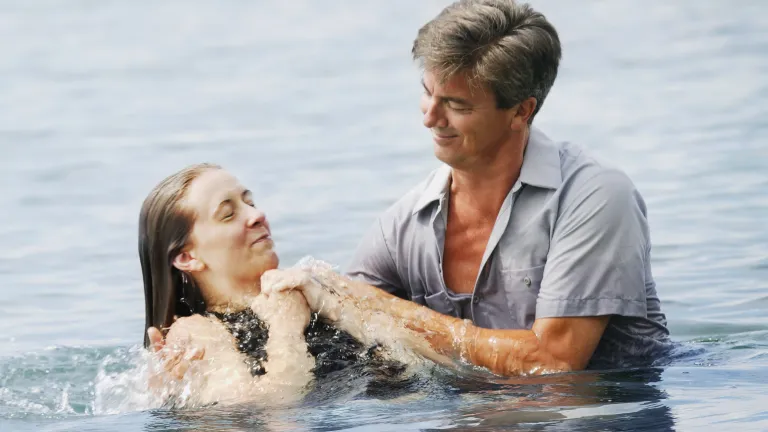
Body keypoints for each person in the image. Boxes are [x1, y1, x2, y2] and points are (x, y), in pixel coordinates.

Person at [345, 0, 672, 370]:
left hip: (623, 401)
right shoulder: (402, 228)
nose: (430, 118)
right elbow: (336, 315)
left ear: (521, 111)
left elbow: (554, 362)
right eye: (427, 92)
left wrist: (389, 311)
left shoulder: (597, 197)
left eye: (457, 105)